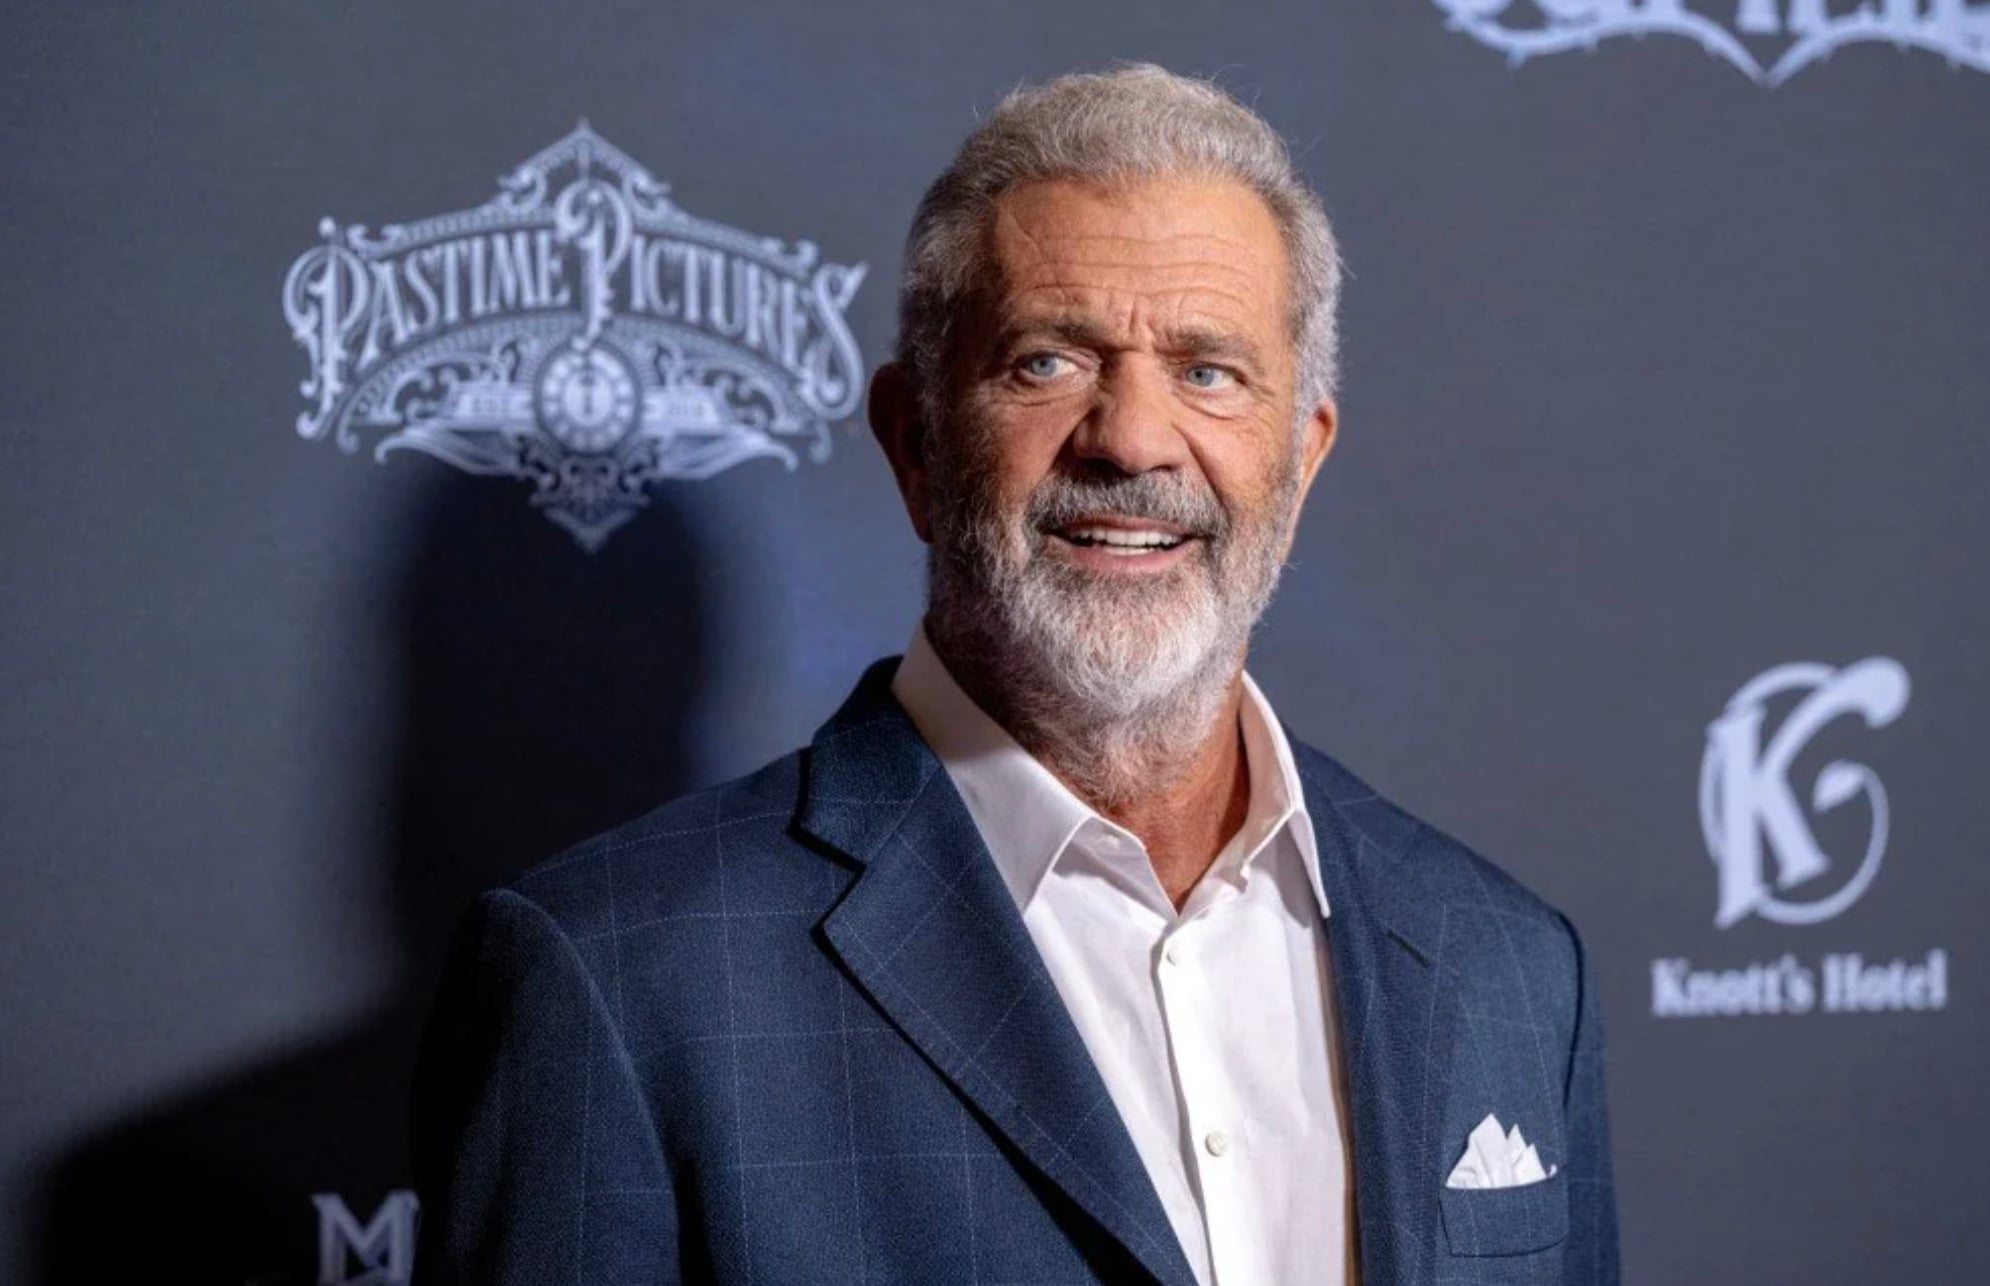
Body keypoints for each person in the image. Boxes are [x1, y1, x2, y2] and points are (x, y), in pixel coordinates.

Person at [410, 63, 1619, 1286]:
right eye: (1048, 362)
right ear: (916, 444)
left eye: (1210, 369)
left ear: (1300, 462)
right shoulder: (616, 980)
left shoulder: (1503, 962)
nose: (1134, 439)